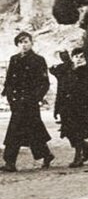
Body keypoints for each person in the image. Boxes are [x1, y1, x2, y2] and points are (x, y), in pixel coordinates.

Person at [1, 32, 54, 172]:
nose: (23, 45)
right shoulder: (14, 59)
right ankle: (45, 155)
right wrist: (9, 97)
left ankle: (10, 162)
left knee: (23, 130)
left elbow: (44, 83)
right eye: (20, 42)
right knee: (27, 130)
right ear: (17, 44)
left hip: (30, 102)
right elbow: (9, 81)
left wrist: (35, 98)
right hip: (17, 102)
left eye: (26, 42)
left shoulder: (38, 60)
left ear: (32, 43)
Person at [59, 48, 88, 168]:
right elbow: (55, 73)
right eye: (76, 57)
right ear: (72, 58)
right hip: (66, 106)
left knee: (78, 132)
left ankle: (78, 156)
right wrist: (57, 107)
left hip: (82, 107)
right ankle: (84, 145)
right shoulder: (66, 70)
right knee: (68, 132)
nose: (79, 59)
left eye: (82, 57)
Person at [49, 50, 72, 124]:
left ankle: (65, 123)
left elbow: (52, 70)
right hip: (66, 87)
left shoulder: (60, 67)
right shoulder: (71, 64)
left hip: (63, 87)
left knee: (63, 105)